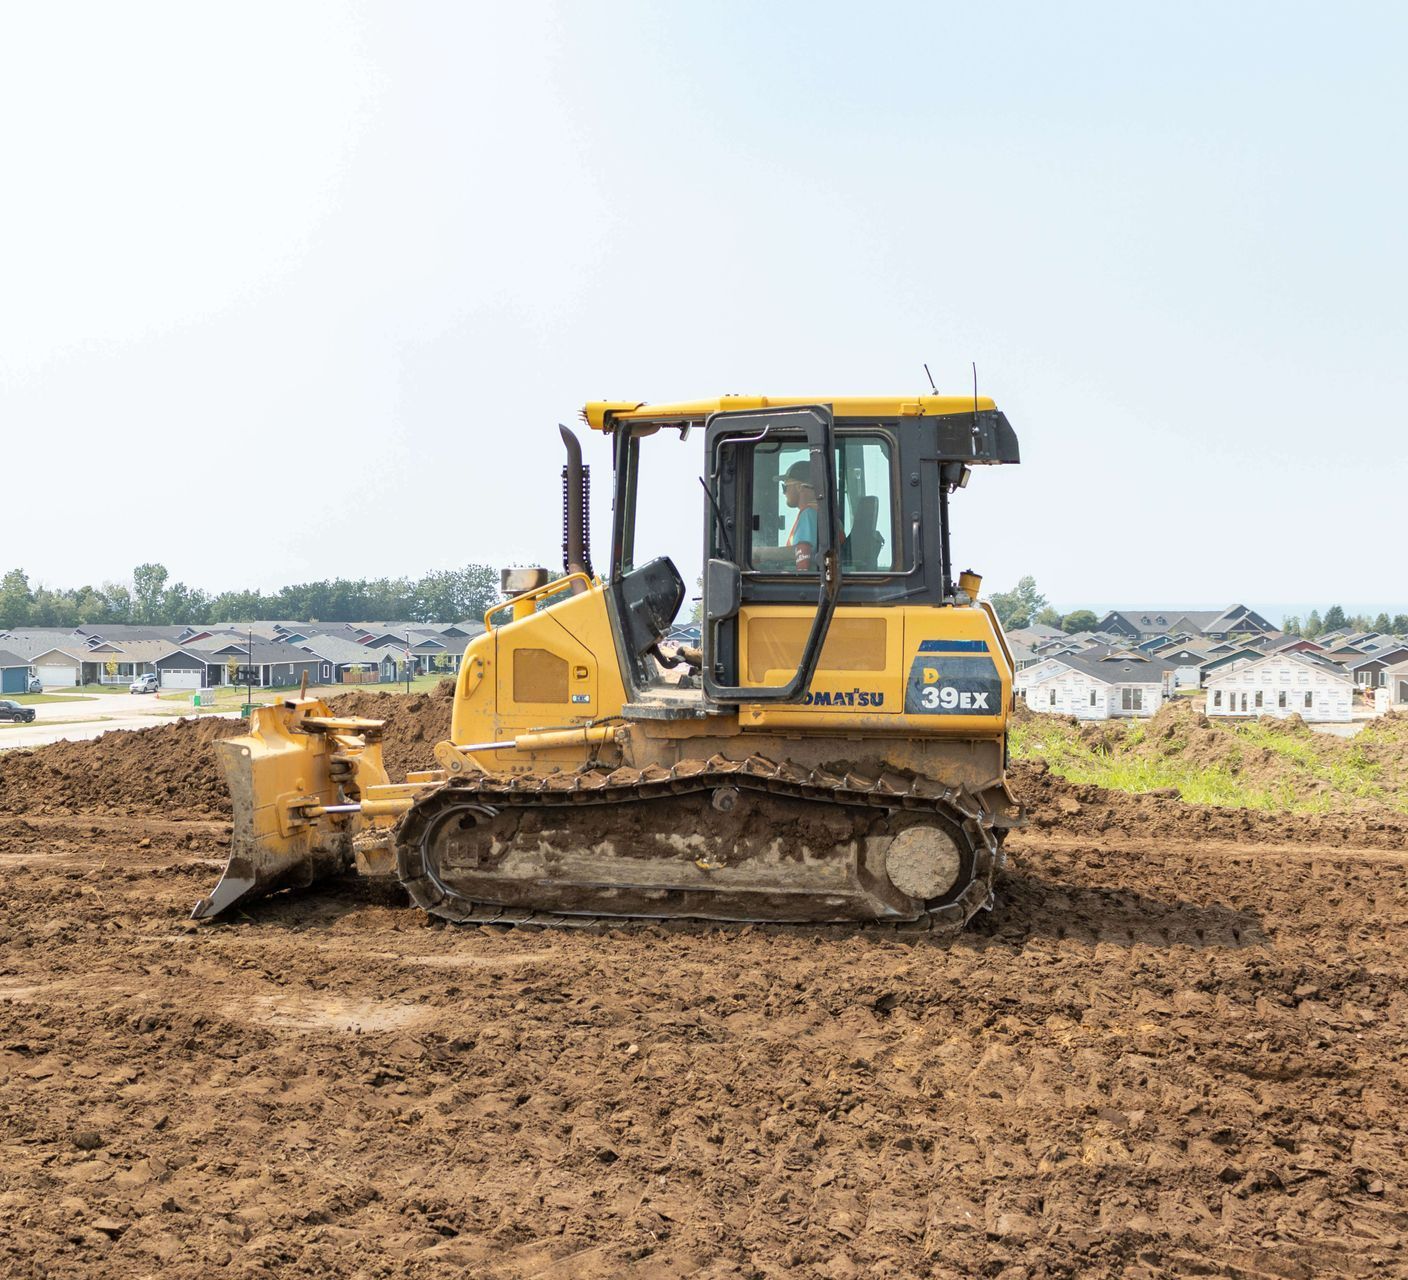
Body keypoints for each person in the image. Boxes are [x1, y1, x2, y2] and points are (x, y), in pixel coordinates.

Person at [754, 459, 818, 572]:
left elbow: (802, 552)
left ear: (799, 487)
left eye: (785, 487)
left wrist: (759, 553)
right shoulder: (819, 513)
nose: (784, 493)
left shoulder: (808, 514)